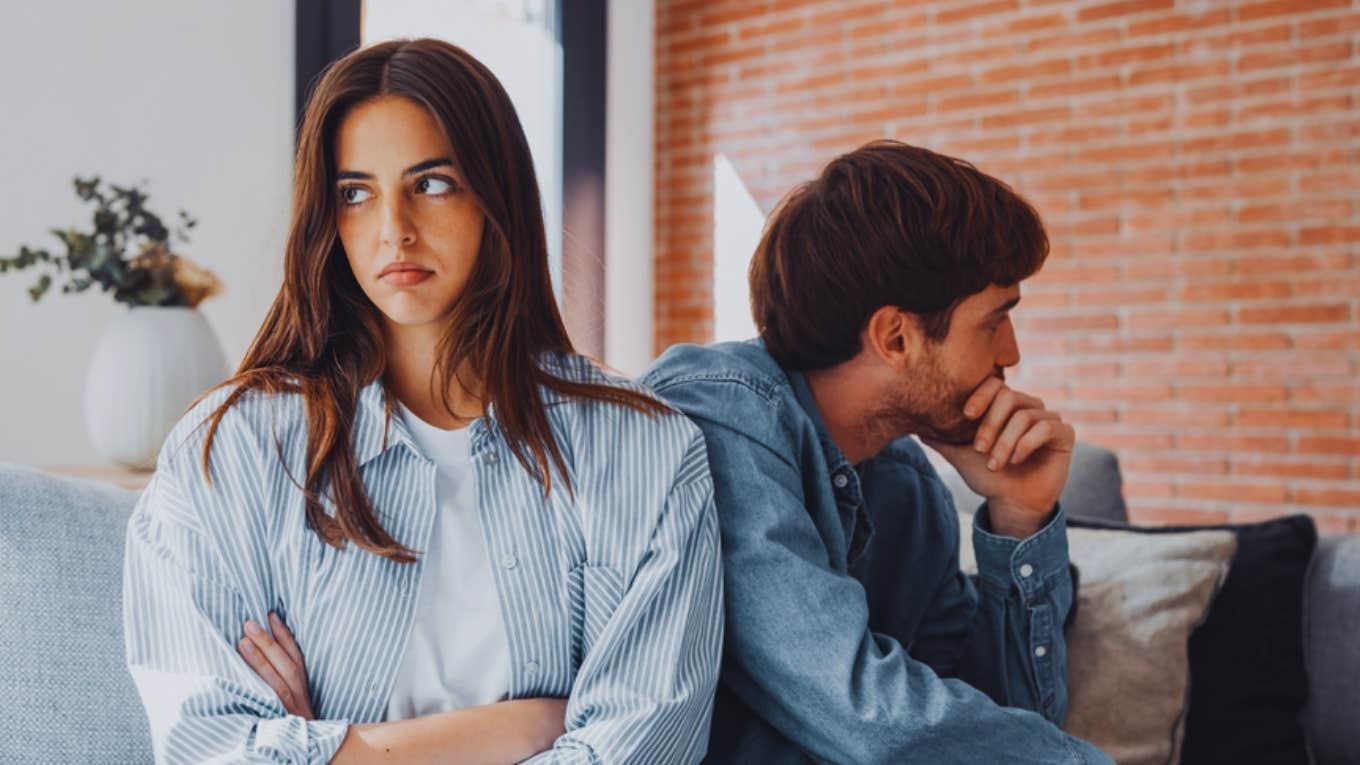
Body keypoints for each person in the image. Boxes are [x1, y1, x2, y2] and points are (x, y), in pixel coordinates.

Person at [123, 38, 722, 765]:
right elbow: (209, 749)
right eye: (355, 192)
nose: (392, 229)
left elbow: (644, 749)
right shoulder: (229, 454)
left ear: (495, 195)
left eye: (431, 183)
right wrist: (530, 725)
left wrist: (334, 748)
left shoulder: (646, 449)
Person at [642, 140, 1114, 764]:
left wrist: (1021, 517)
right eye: (995, 320)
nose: (1012, 353)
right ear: (896, 336)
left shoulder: (905, 486)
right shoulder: (718, 422)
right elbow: (867, 712)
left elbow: (992, 724)